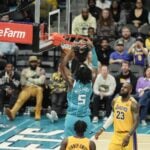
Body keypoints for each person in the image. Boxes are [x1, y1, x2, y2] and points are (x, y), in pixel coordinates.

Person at [60, 44, 93, 138]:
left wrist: (71, 51)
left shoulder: (71, 83)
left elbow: (62, 67)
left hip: (72, 117)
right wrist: (92, 50)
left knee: (68, 143)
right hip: (85, 117)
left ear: (77, 73)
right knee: (85, 144)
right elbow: (94, 66)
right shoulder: (91, 84)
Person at [95, 82, 139, 150]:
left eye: (125, 88)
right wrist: (102, 129)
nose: (122, 88)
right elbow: (112, 116)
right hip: (116, 135)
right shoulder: (115, 100)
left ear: (130, 91)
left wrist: (128, 135)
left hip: (127, 135)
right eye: (122, 87)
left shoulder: (133, 104)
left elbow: (136, 122)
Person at [5, 56, 46, 121]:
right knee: (20, 99)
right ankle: (12, 113)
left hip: (37, 88)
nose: (33, 63)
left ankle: (37, 114)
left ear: (37, 62)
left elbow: (41, 81)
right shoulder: (25, 71)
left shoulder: (41, 70)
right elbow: (23, 82)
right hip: (27, 88)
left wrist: (29, 78)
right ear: (29, 63)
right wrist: (34, 80)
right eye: (32, 62)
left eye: (34, 62)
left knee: (40, 91)